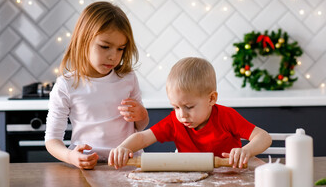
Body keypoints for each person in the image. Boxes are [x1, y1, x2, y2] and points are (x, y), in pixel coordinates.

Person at [109, 57, 272, 169]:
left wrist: (246, 151)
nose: (182, 115)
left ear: (211, 99)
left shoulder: (226, 116)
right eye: (176, 107)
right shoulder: (175, 121)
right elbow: (143, 137)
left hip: (229, 177)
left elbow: (263, 137)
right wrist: (123, 148)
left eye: (189, 107)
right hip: (191, 182)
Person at [45, 1, 149, 170]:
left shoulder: (128, 78)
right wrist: (70, 156)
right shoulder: (66, 85)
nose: (113, 56)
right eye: (105, 46)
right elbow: (52, 140)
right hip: (88, 166)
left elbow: (141, 126)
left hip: (128, 163)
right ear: (83, 40)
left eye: (120, 49)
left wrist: (142, 114)